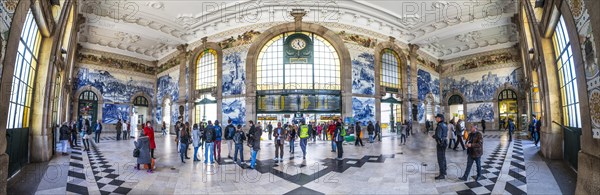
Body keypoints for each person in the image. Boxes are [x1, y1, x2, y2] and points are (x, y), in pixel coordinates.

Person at [432, 114, 448, 180]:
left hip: (440, 144)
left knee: (440, 159)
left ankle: (442, 175)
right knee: (443, 157)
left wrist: (434, 136)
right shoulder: (444, 124)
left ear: (440, 118)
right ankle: (444, 171)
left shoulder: (439, 125)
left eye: (437, 118)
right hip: (445, 142)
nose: (436, 119)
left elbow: (438, 136)